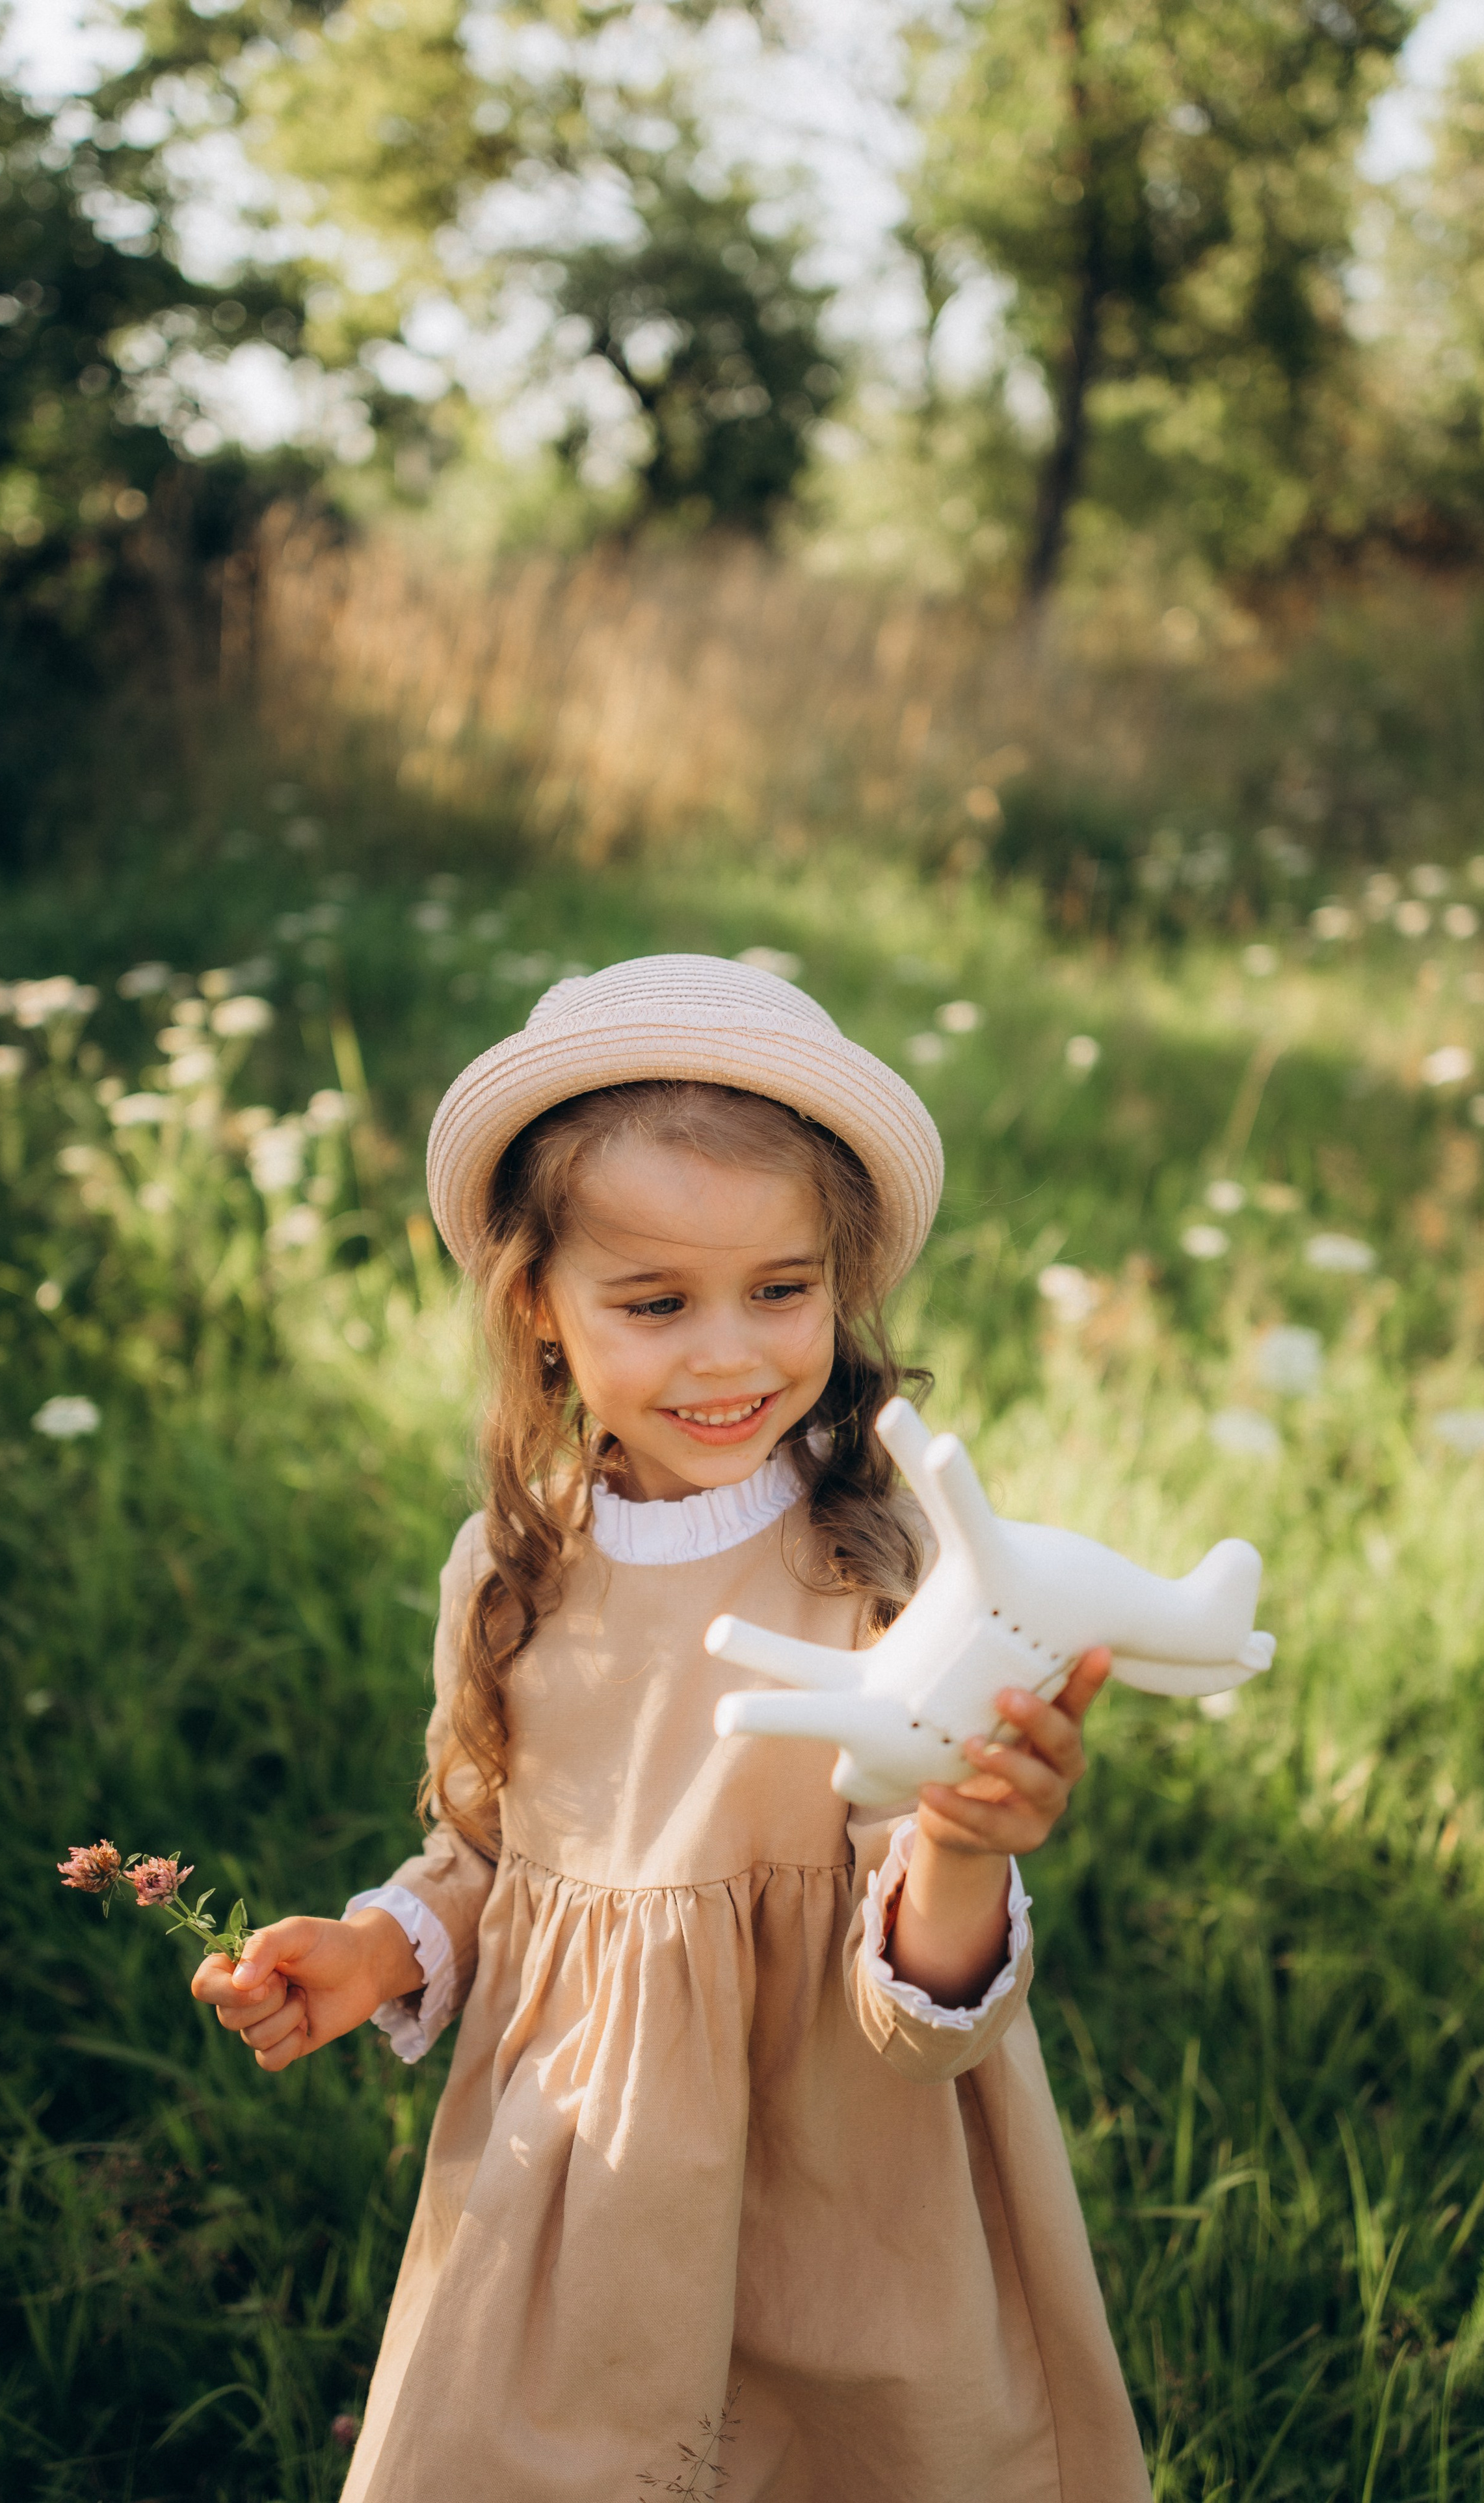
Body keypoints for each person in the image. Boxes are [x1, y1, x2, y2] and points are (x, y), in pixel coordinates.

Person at [191, 954, 1151, 2502]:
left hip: (847, 2184)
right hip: (583, 2179)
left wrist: (964, 1846)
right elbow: (485, 1848)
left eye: (780, 1290)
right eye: (654, 1302)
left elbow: (921, 1999)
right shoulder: (507, 1568)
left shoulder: (885, 1569)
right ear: (540, 1309)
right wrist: (380, 1946)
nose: (727, 1354)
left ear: (838, 1286)